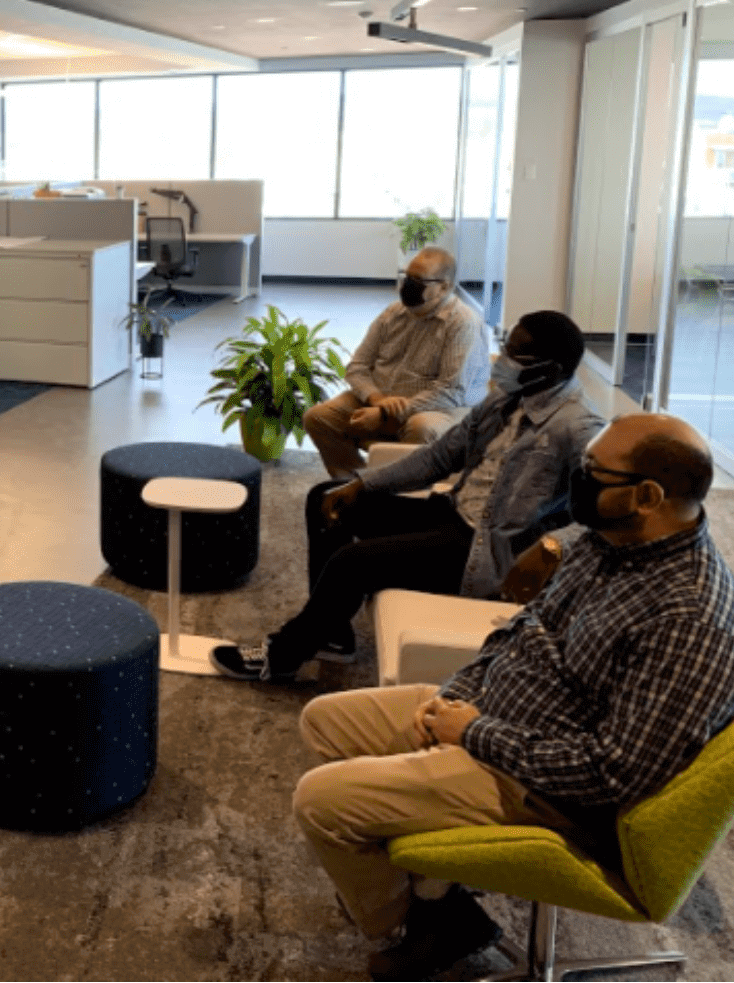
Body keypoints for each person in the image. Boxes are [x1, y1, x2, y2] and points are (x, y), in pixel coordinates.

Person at [291, 412, 734, 982]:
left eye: (594, 472)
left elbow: (613, 773)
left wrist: (471, 733)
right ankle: (436, 896)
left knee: (320, 803)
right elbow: (527, 626)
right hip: (494, 713)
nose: (580, 480)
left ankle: (414, 925)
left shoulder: (688, 616)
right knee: (324, 722)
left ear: (648, 496)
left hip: (546, 788)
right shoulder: (613, 539)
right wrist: (460, 697)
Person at [211, 310, 602, 681]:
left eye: (517, 355)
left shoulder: (579, 429)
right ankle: (331, 634)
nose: (503, 360)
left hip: (482, 550)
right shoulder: (505, 399)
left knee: (352, 563)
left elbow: (605, 515)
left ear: (550, 370)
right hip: (453, 512)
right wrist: (361, 483)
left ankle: (282, 658)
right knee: (326, 498)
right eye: (507, 345)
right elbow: (440, 456)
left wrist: (551, 546)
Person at [304, 249, 490, 479]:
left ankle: (400, 495)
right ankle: (356, 485)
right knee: (319, 417)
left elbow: (452, 390)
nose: (409, 286)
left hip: (440, 408)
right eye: (407, 277)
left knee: (421, 428)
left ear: (444, 287)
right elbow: (357, 366)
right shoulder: (393, 312)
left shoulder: (463, 324)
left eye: (419, 281)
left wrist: (386, 414)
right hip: (383, 398)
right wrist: (378, 400)